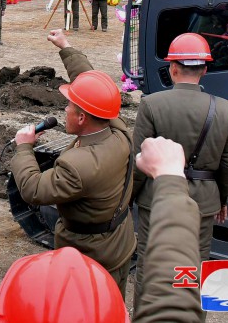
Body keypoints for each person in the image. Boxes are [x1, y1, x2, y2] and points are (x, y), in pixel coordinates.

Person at [10, 29, 135, 297]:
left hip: (91, 256)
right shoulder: (118, 129)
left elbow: (33, 189)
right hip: (119, 243)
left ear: (81, 119)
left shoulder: (77, 165)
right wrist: (66, 47)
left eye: (68, 106)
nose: (64, 109)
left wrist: (23, 148)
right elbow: (91, 85)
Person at [130, 32, 228, 312]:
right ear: (204, 70)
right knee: (196, 266)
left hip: (157, 198)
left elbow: (139, 160)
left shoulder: (151, 105)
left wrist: (130, 195)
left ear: (172, 68)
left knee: (149, 262)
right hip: (203, 202)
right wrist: (223, 200)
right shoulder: (226, 109)